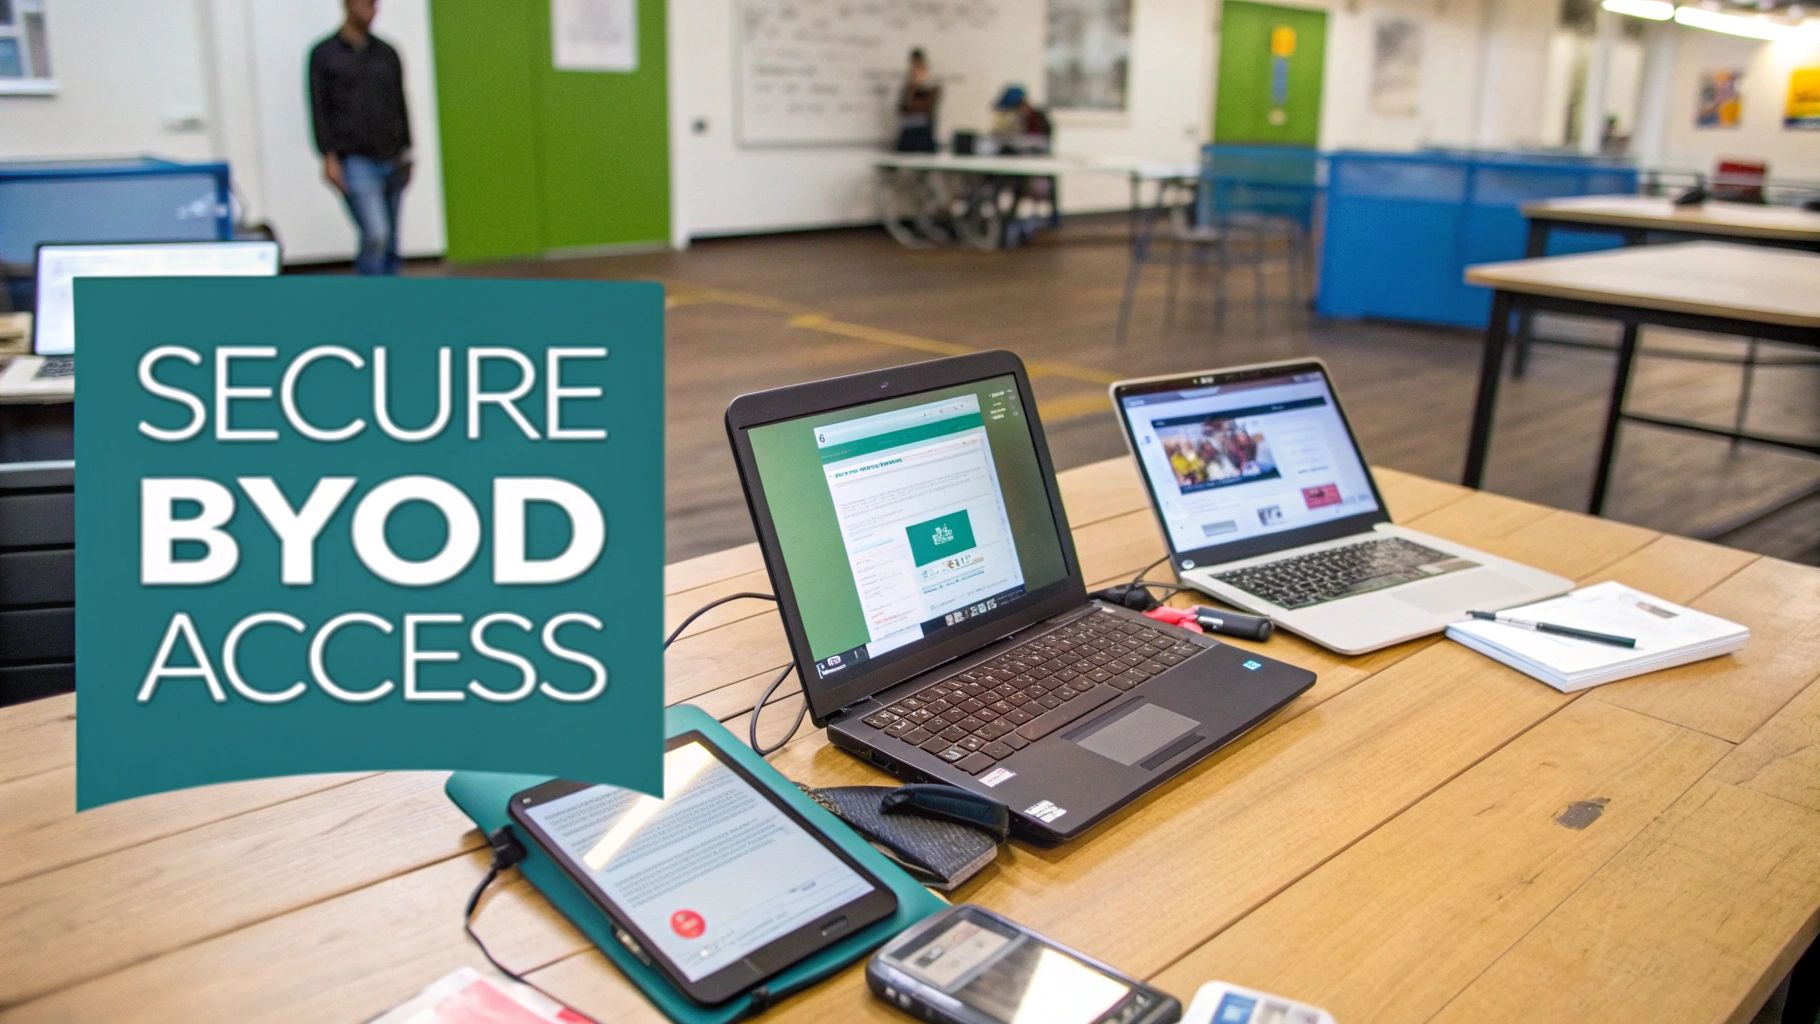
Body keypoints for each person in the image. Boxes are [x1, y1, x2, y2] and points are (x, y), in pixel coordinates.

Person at [309, 0, 412, 275]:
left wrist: (407, 150)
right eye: (366, 3)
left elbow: (399, 103)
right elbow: (319, 108)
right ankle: (368, 299)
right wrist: (327, 156)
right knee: (375, 234)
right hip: (355, 159)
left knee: (390, 240)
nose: (372, 9)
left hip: (392, 155)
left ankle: (391, 300)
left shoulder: (386, 53)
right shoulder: (324, 55)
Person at [895, 49, 941, 153]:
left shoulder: (933, 89)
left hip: (923, 135)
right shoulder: (908, 89)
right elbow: (903, 109)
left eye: (919, 70)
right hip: (908, 134)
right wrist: (912, 88)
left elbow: (926, 107)